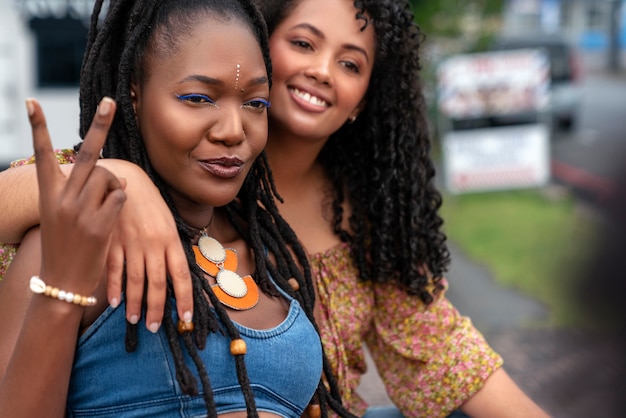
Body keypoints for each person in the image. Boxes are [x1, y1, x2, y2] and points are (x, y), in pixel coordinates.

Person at [0, 0, 549, 417]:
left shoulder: (345, 229)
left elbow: (456, 363)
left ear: (365, 98)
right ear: (267, 40)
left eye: (351, 64)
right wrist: (120, 179)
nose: (322, 71)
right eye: (305, 44)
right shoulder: (98, 209)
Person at [0, 0, 355, 416]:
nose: (233, 131)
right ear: (133, 95)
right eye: (198, 98)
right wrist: (62, 287)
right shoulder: (73, 245)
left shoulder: (275, 259)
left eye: (255, 103)